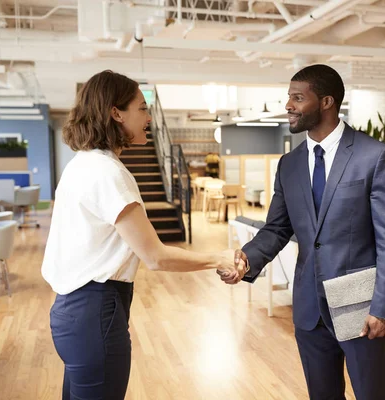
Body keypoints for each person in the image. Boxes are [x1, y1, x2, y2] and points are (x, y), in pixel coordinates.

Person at [41, 70, 243, 400]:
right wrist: (219, 258)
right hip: (95, 311)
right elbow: (156, 256)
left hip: (72, 313)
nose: (149, 117)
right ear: (115, 113)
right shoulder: (108, 173)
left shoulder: (82, 164)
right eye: (141, 108)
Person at [220, 64, 385, 400]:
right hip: (309, 306)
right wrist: (246, 260)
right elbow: (277, 227)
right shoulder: (289, 164)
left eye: (297, 97)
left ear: (326, 102)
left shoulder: (374, 156)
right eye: (288, 97)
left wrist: (384, 306)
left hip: (361, 306)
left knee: (371, 394)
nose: (289, 105)